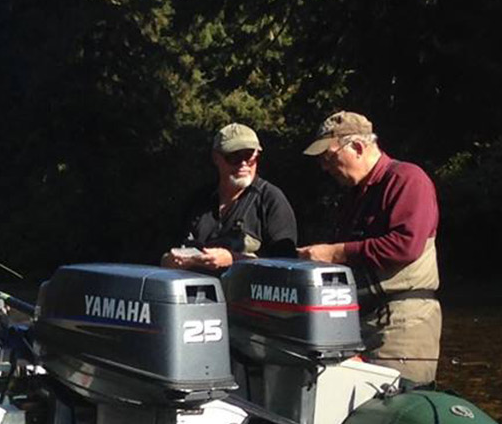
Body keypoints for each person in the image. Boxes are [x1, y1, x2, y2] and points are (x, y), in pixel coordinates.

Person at [296, 110, 441, 384]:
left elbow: (405, 246)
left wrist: (333, 253)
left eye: (329, 157)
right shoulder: (356, 195)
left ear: (358, 148)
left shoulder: (408, 179)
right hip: (362, 319)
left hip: (403, 322)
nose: (324, 167)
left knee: (399, 403)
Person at [162, 122, 297, 273]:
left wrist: (232, 259)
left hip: (245, 294)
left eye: (249, 156)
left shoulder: (271, 200)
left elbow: (287, 265)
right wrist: (172, 261)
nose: (243, 164)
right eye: (233, 157)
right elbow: (165, 253)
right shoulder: (198, 201)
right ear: (216, 158)